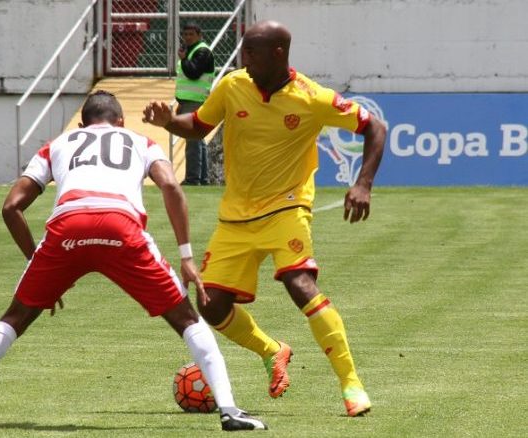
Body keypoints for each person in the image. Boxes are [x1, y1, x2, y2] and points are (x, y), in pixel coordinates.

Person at [0, 91, 266, 431]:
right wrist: (186, 256)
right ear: (120, 121)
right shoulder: (141, 141)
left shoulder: (57, 145)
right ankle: (229, 410)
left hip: (67, 228)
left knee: (15, 317)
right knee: (186, 318)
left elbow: (10, 207)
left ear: (81, 124)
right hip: (121, 226)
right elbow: (171, 187)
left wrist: (39, 263)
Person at [143, 21, 387, 417]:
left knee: (300, 283)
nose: (244, 62)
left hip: (287, 209)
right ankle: (272, 350)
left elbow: (375, 127)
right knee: (211, 303)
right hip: (235, 216)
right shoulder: (232, 86)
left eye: (250, 54)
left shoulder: (312, 97)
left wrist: (363, 184)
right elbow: (199, 126)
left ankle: (351, 384)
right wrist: (168, 120)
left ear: (277, 53)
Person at [175, 21, 214, 185]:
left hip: (195, 101)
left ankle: (193, 178)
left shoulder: (202, 51)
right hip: (189, 100)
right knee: (198, 140)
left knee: (192, 140)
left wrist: (183, 60)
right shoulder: (192, 51)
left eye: (191, 34)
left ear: (199, 35)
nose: (188, 37)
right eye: (185, 34)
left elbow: (193, 73)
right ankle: (202, 178)